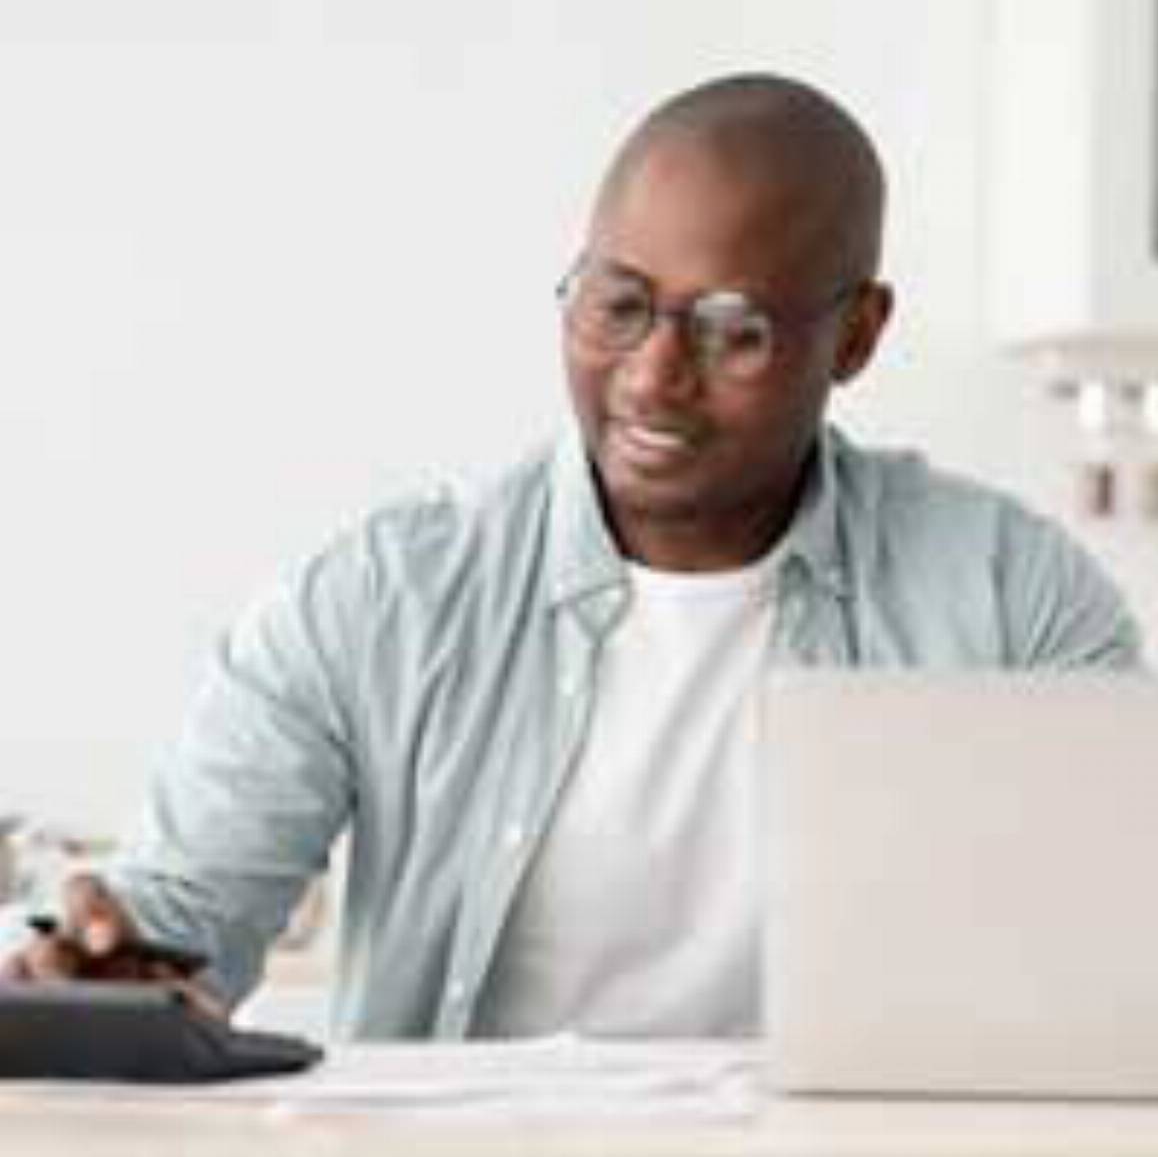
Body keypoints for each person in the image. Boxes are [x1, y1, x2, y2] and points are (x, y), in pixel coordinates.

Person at [0, 73, 1143, 1038]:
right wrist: (100, 971)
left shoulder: (1011, 597)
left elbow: (1122, 931)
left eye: (733, 328)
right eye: (619, 305)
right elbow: (178, 918)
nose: (653, 377)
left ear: (856, 336)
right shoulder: (378, 600)